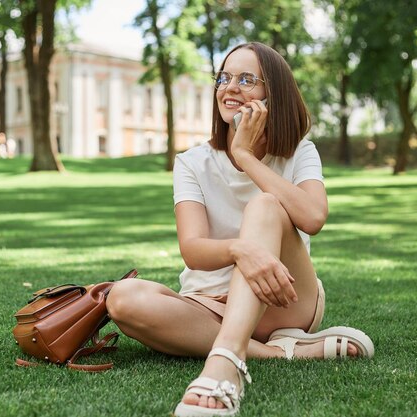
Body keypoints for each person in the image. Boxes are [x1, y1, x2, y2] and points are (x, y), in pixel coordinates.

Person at [106, 42, 374, 417]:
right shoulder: (191, 163)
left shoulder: (299, 153)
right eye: (224, 78)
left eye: (246, 79)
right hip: (210, 306)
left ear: (272, 94)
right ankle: (281, 353)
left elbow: (313, 216)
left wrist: (246, 157)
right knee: (122, 298)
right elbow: (193, 249)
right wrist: (239, 250)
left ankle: (226, 363)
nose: (230, 87)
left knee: (265, 204)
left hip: (285, 300)